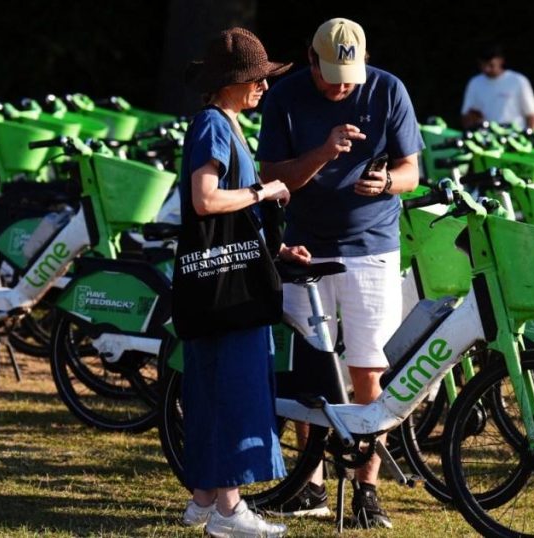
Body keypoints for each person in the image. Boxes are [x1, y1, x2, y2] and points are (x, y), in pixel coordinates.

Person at [256, 17, 424, 529]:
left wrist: (386, 182)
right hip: (305, 248)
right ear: (310, 60)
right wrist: (324, 152)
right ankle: (310, 486)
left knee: (369, 369)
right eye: (332, 74)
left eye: (350, 74)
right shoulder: (285, 97)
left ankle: (368, 489)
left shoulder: (388, 89)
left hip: (373, 246)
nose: (342, 85)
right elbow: (271, 177)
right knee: (312, 372)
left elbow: (412, 173)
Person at [175, 27, 311, 538]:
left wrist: (274, 248)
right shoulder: (214, 124)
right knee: (234, 390)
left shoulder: (222, 122)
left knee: (211, 388)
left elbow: (225, 220)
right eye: (256, 78)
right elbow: (205, 201)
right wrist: (264, 189)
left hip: (220, 282)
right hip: (228, 293)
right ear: (230, 81)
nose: (264, 87)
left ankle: (204, 500)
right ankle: (230, 512)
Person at [461, 44, 534, 130]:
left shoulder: (518, 81)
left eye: (491, 65)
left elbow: (531, 114)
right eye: (483, 65)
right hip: (487, 137)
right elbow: (466, 114)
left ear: (500, 61)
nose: (486, 69)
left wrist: (533, 137)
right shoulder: (475, 83)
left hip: (515, 136)